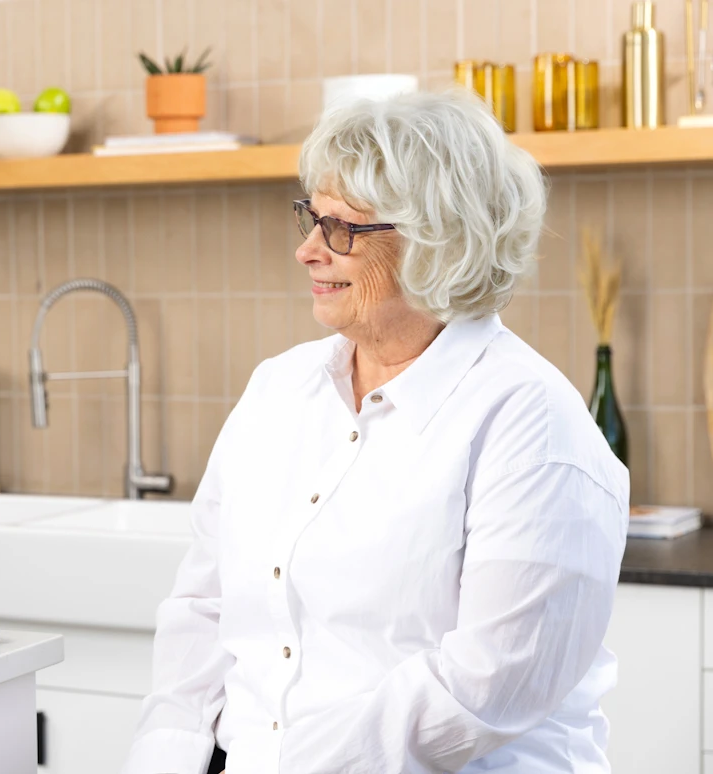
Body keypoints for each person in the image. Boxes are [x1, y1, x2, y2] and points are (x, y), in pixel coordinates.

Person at [121, 89, 629, 774]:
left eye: (343, 229)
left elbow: (482, 688)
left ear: (440, 241)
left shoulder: (532, 424)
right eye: (311, 216)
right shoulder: (278, 391)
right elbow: (203, 613)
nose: (307, 251)